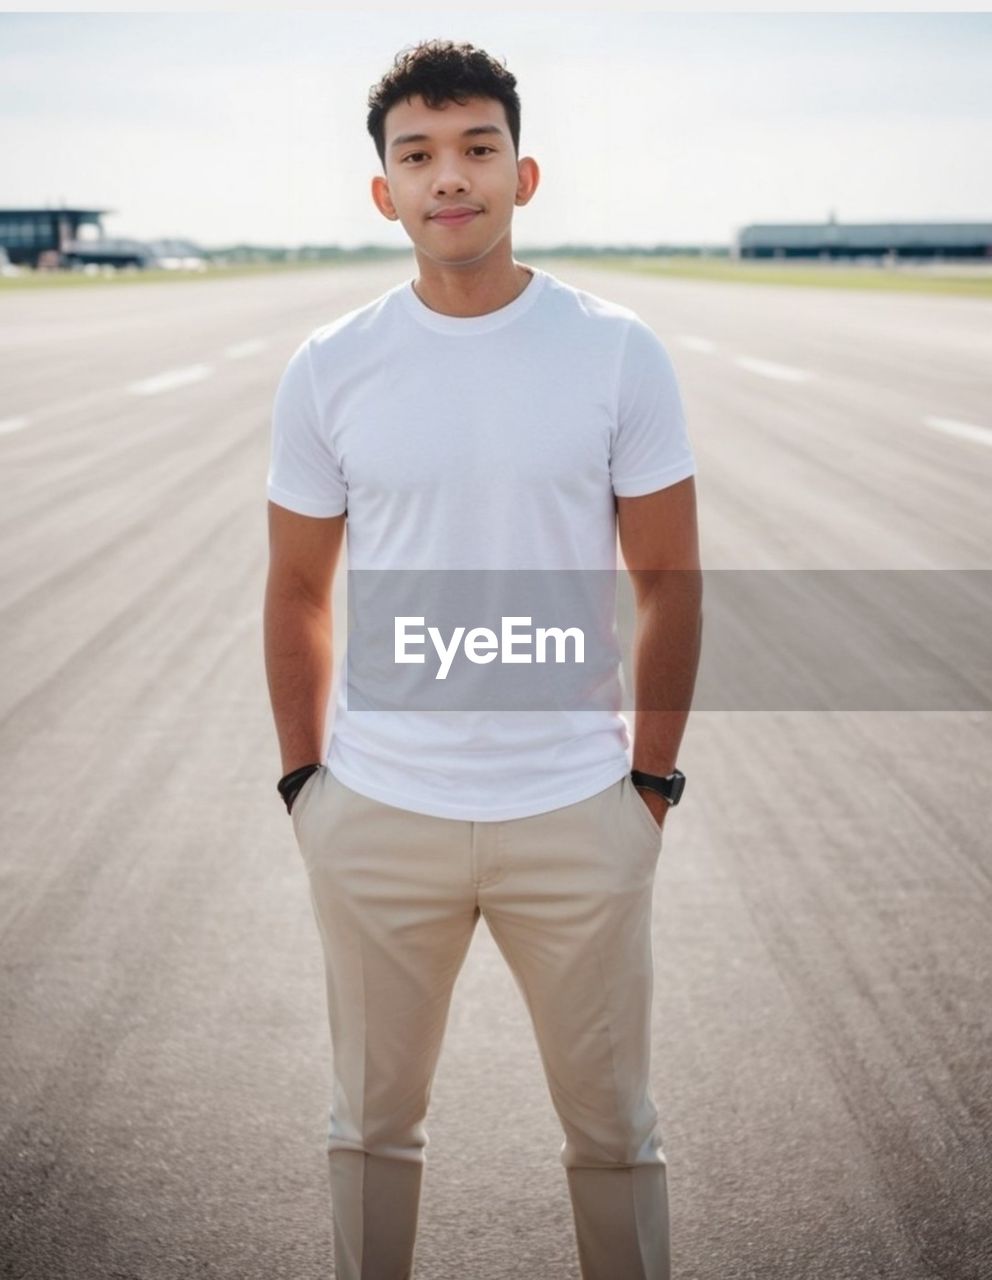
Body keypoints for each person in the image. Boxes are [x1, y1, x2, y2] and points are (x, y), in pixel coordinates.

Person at [263, 37, 702, 1280]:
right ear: (382, 190)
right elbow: (296, 587)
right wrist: (310, 790)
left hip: (575, 812)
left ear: (524, 173)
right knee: (367, 1134)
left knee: (616, 1135)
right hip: (379, 814)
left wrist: (647, 788)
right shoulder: (329, 367)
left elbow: (667, 580)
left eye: (475, 150)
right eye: (418, 156)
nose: (448, 177)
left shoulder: (615, 350)